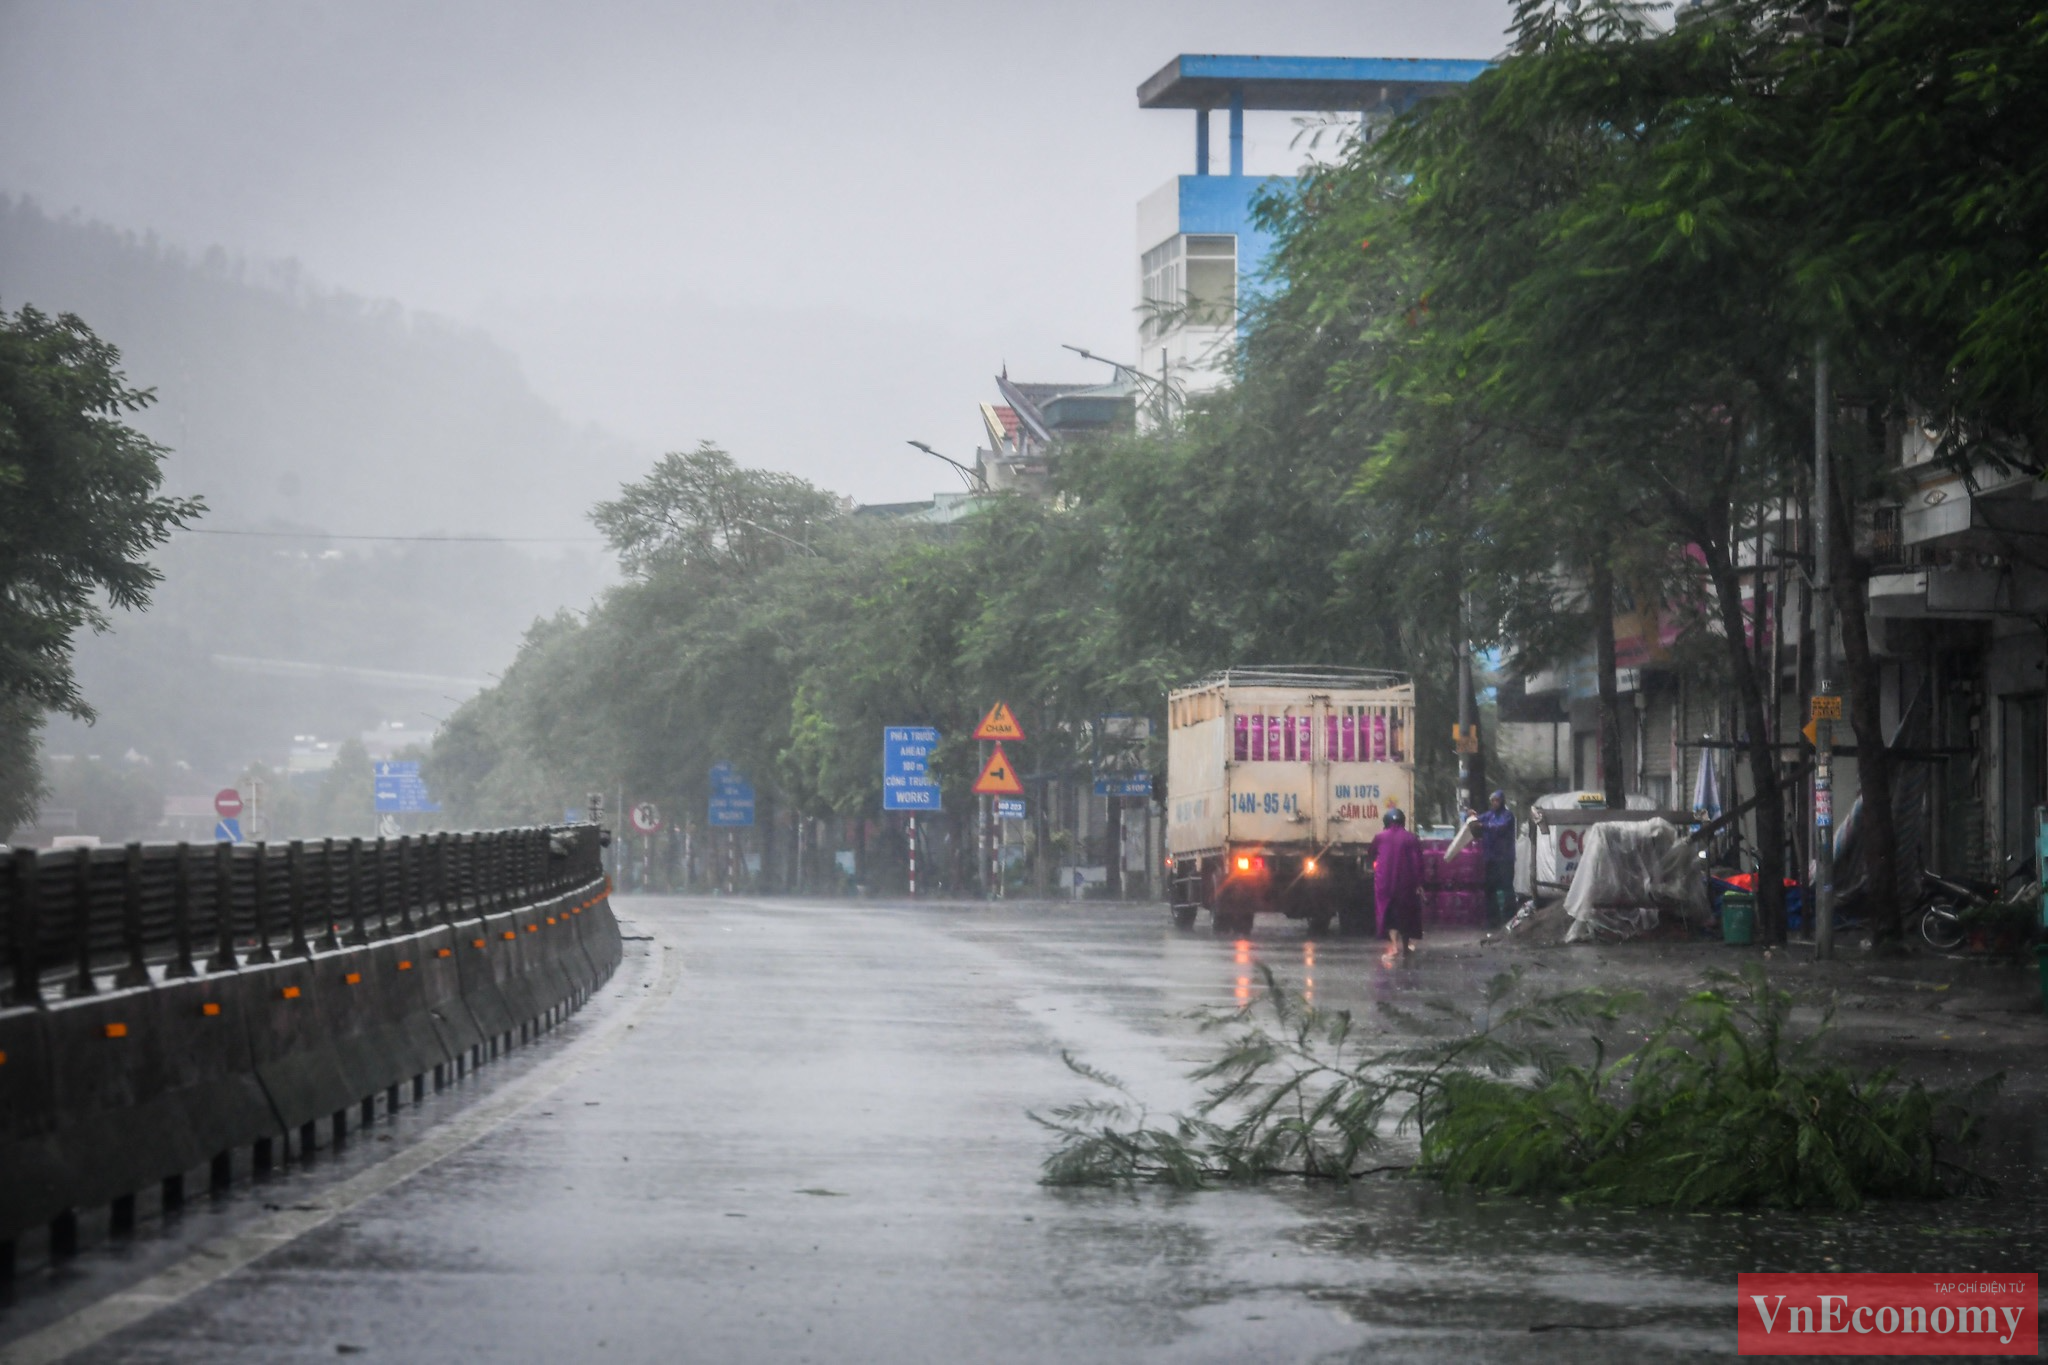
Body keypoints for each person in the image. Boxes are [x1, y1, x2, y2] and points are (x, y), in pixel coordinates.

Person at [1373, 807, 1424, 965]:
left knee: (1390, 916)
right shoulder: (1411, 838)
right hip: (1406, 884)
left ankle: (1394, 947)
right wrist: (1419, 884)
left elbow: (1372, 853)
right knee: (1407, 915)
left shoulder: (1380, 837)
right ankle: (1406, 946)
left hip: (1386, 885)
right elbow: (1418, 863)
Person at [1475, 789, 1517, 927]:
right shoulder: (1489, 815)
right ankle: (1493, 919)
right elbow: (1476, 820)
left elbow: (1501, 828)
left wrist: (1484, 826)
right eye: (1492, 800)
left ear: (1502, 801)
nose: (1494, 803)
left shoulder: (1507, 815)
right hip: (1491, 858)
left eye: (1497, 800)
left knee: (1507, 888)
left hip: (1505, 858)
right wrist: (1471, 816)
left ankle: (1509, 917)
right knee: (1490, 889)